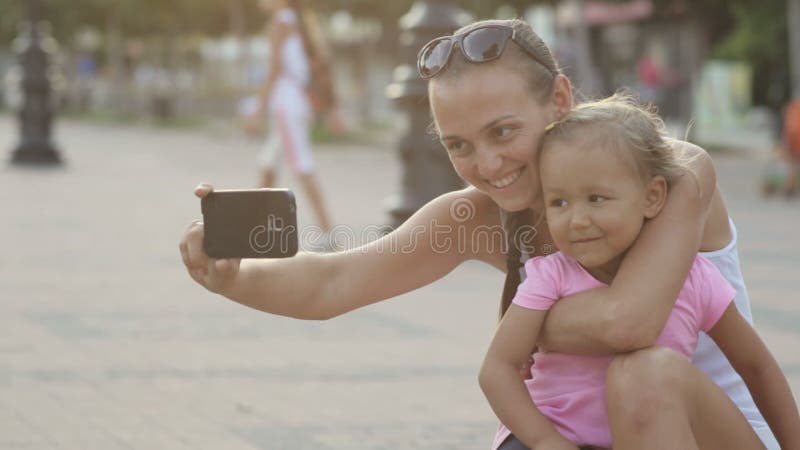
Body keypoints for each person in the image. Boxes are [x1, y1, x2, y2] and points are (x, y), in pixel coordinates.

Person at [180, 19, 783, 448]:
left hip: (704, 432)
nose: (488, 165)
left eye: (502, 132)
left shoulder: (672, 174)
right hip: (570, 434)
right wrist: (233, 277)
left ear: (561, 100)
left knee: (642, 374)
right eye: (459, 146)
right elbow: (335, 280)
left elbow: (628, 324)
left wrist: (522, 325)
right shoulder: (477, 219)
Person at [479, 95, 800, 450]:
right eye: (559, 202)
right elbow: (497, 369)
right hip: (561, 438)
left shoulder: (694, 279)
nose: (578, 220)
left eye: (597, 198)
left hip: (658, 436)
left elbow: (757, 367)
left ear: (652, 197)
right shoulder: (550, 276)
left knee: (642, 373)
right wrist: (544, 441)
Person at [246, 0, 335, 235]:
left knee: (302, 166)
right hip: (296, 103)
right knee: (268, 166)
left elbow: (274, 69)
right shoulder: (298, 22)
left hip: (287, 105)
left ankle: (327, 233)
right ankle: (254, 228)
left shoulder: (281, 22)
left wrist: (256, 108)